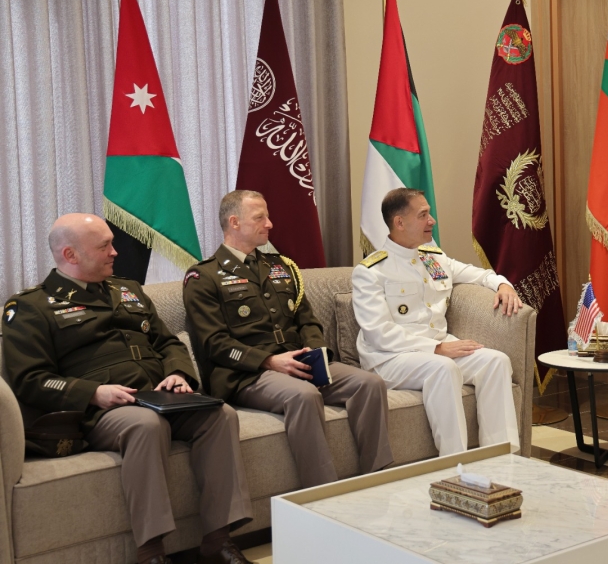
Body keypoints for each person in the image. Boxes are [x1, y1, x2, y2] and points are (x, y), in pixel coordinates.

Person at [1, 214, 253, 564]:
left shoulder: (128, 290)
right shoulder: (31, 306)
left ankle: (218, 540)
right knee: (146, 425)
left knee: (219, 415)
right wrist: (93, 392)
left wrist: (178, 374)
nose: (115, 252)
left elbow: (168, 343)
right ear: (71, 255)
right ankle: (151, 552)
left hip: (158, 397)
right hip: (100, 411)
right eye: (104, 246)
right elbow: (30, 379)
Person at [183, 191, 393, 489]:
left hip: (299, 362)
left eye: (267, 216)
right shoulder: (204, 277)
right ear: (234, 222)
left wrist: (316, 353)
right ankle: (321, 494)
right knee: (303, 396)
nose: (269, 224)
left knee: (369, 384)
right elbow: (214, 343)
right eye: (260, 218)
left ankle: (379, 479)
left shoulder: (280, 267)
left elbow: (307, 320)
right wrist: (269, 361)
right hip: (248, 374)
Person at [351, 188, 522, 456]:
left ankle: (502, 459)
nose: (432, 221)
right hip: (389, 358)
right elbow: (379, 333)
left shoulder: (432, 258)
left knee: (496, 361)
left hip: (438, 348)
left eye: (429, 213)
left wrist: (503, 285)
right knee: (443, 368)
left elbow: (478, 275)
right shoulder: (371, 271)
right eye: (423, 215)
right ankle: (455, 465)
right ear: (399, 222)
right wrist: (437, 349)